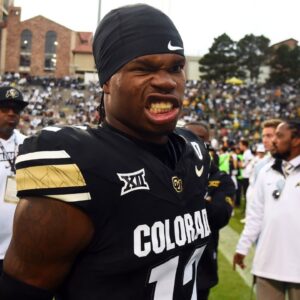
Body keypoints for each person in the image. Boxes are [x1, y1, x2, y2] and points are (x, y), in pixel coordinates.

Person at [0, 4, 211, 300]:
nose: (167, 81)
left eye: (175, 67)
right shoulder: (77, 163)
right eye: (144, 68)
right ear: (107, 82)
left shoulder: (194, 152)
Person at [233, 120, 300, 300]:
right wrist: (242, 247)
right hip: (267, 264)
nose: (273, 141)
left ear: (296, 140)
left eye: (279, 136)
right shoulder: (265, 172)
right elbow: (255, 216)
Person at [184, 121, 234, 300]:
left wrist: (187, 194)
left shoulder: (221, 179)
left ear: (209, 144)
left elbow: (220, 216)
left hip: (201, 267)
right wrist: (204, 200)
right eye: (186, 137)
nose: (192, 143)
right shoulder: (166, 171)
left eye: (199, 139)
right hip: (164, 267)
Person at [0, 86, 28, 275]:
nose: (11, 113)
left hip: (19, 245)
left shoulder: (28, 144)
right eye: (4, 109)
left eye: (16, 110)